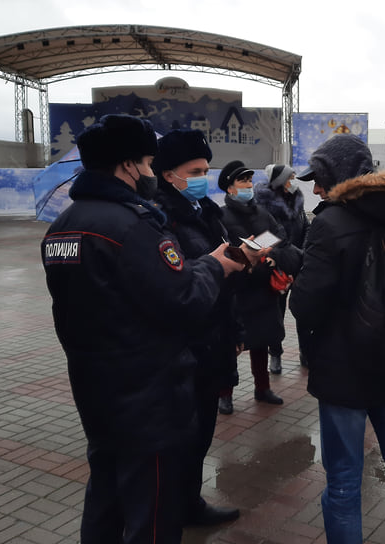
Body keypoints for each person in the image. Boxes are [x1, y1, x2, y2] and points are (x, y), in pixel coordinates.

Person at [41, 115, 243, 543]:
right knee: (152, 505)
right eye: (150, 163)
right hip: (146, 388)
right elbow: (183, 299)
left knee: (106, 493)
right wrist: (215, 265)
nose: (151, 173)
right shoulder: (132, 225)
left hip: (93, 381)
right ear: (129, 165)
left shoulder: (64, 224)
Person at [290, 134, 385, 543]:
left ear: (340, 174)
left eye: (319, 178)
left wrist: (296, 270)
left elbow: (306, 306)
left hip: (344, 372)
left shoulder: (330, 223)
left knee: (344, 484)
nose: (315, 188)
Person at [150, 128, 249, 527]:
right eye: (194, 170)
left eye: (206, 170)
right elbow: (172, 282)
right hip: (183, 349)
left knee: (202, 431)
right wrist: (215, 265)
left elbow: (223, 277)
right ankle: (172, 509)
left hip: (213, 339)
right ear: (167, 173)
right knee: (181, 437)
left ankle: (190, 503)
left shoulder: (206, 211)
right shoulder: (157, 217)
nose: (202, 178)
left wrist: (243, 263)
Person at [218, 160, 302, 408]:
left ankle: (262, 388)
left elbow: (279, 241)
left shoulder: (263, 214)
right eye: (242, 181)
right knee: (232, 344)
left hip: (263, 289)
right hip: (237, 289)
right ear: (230, 188)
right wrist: (248, 263)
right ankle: (225, 393)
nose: (248, 185)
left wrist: (273, 259)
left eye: (249, 181)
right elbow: (223, 250)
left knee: (261, 340)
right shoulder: (222, 216)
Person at [254, 163, 309, 374]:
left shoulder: (297, 200)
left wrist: (302, 251)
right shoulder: (262, 205)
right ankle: (275, 354)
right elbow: (264, 237)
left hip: (300, 264)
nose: (293, 180)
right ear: (279, 181)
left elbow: (306, 227)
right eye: (290, 177)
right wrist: (285, 254)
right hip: (278, 265)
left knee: (303, 309)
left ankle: (306, 352)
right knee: (276, 313)